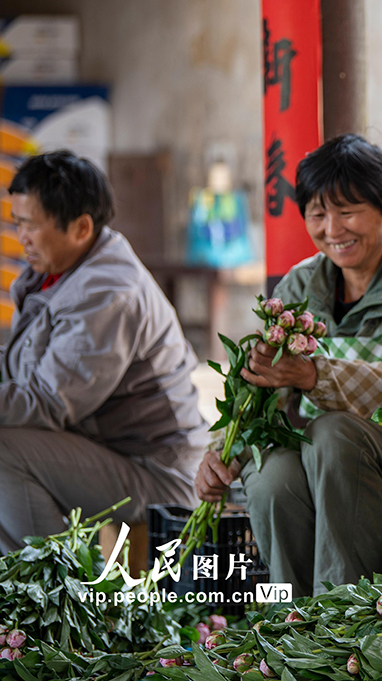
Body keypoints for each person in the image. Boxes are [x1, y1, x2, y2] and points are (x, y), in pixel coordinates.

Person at [195, 134, 382, 597]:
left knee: (333, 432)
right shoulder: (302, 283)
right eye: (317, 214)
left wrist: (315, 376)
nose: (333, 228)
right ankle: (289, 629)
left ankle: (342, 617)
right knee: (271, 474)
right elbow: (257, 390)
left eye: (348, 210)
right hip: (323, 472)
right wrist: (219, 452)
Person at [0, 150, 207, 553]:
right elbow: (21, 370)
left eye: (30, 225)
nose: (20, 236)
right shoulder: (59, 271)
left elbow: (44, 403)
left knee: (4, 449)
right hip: (107, 452)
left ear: (80, 228)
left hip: (158, 474)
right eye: (17, 222)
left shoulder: (106, 293)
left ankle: (49, 597)